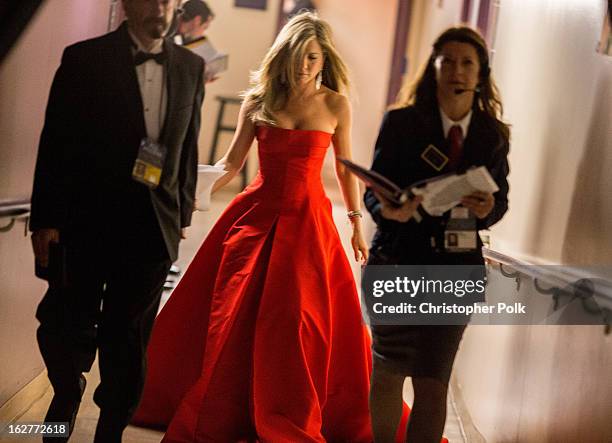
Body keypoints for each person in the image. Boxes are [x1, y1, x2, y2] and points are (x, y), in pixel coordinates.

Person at [132, 11, 408, 442]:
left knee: (300, 317)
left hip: (309, 222)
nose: (304, 66)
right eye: (298, 57)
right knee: (235, 313)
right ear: (284, 56)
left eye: (313, 58)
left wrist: (355, 222)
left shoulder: (335, 104)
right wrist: (183, 196)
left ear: (324, 59)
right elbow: (230, 164)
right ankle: (232, 406)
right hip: (255, 217)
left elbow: (345, 168)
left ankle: (291, 408)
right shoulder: (259, 101)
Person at [29, 0, 204, 441]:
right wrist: (45, 218)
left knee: (128, 337)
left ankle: (110, 429)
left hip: (152, 227)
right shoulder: (85, 58)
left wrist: (181, 211)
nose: (161, 8)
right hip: (85, 220)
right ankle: (66, 393)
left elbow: (188, 145)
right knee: (66, 324)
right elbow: (56, 140)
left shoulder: (191, 67)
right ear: (128, 3)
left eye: (170, 0)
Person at [364, 26, 510, 443]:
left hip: (456, 270)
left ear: (480, 74)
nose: (457, 71)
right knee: (388, 372)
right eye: (448, 61)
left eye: (468, 63)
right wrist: (387, 210)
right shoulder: (401, 122)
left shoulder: (492, 136)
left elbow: (501, 202)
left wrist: (488, 209)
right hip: (397, 260)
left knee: (433, 381)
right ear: (434, 67)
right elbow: (373, 190)